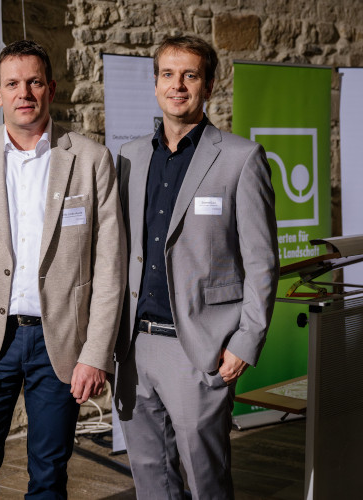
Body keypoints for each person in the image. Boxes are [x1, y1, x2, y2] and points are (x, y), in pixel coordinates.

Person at [0, 40, 126, 497]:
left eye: (35, 82)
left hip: (59, 343)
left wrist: (95, 351)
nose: (25, 93)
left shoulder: (91, 159)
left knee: (49, 475)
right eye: (13, 84)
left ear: (51, 89)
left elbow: (110, 265)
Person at [113, 35, 279, 499]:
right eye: (168, 74)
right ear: (155, 84)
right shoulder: (129, 157)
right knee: (151, 482)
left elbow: (262, 262)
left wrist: (246, 339)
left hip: (199, 351)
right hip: (134, 348)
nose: (178, 85)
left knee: (206, 481)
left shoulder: (241, 158)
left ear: (208, 85)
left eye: (190, 75)